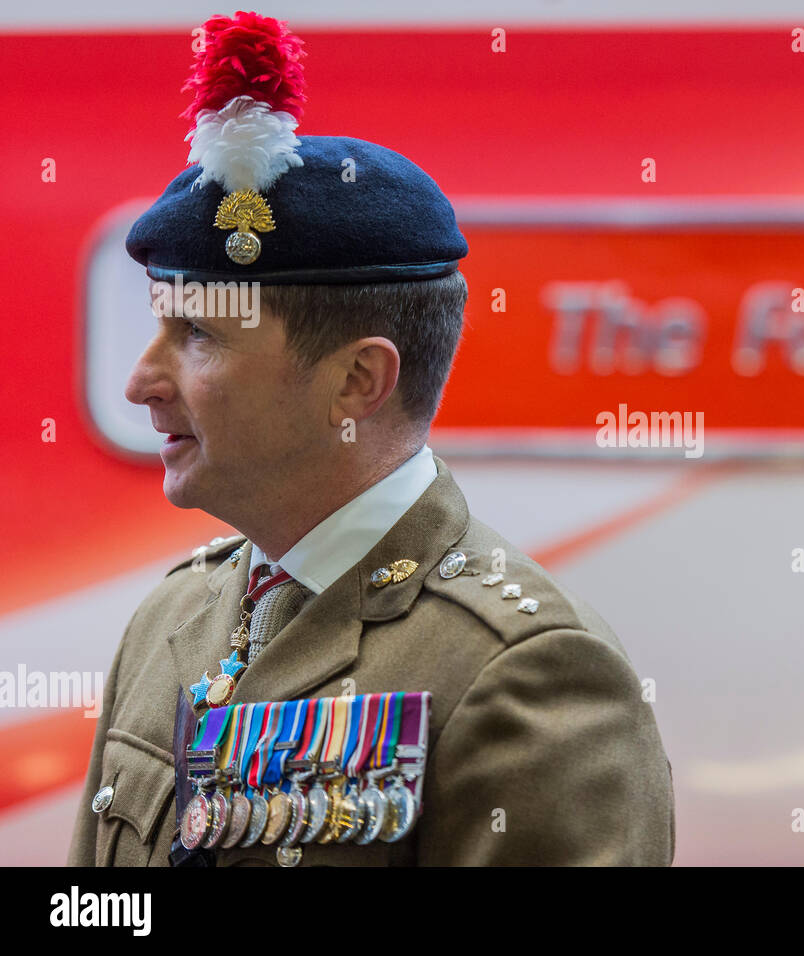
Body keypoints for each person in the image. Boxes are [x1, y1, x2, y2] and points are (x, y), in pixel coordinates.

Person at [66, 11, 674, 867]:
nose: (141, 381)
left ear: (357, 381)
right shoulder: (173, 617)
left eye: (199, 335)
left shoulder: (525, 670)